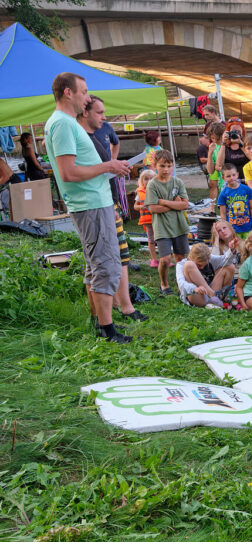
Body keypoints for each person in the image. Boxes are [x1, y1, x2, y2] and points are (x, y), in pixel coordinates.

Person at [45, 74, 130, 342]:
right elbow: (68, 172)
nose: (88, 97)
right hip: (90, 204)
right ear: (68, 93)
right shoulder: (62, 124)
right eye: (84, 91)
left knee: (96, 265)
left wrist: (109, 169)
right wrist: (108, 166)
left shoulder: (66, 123)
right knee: (106, 265)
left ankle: (100, 323)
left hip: (94, 201)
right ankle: (108, 330)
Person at [146, 149, 190, 296]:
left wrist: (164, 202)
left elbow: (184, 205)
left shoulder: (178, 182)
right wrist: (174, 204)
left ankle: (181, 284)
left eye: (169, 166)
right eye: (162, 166)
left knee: (180, 259)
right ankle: (164, 284)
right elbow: (152, 208)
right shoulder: (152, 185)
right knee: (165, 259)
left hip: (179, 225)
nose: (166, 169)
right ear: (155, 166)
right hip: (162, 227)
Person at [175, 242, 233, 308]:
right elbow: (181, 284)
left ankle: (219, 297)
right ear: (190, 257)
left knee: (230, 267)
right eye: (199, 265)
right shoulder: (181, 264)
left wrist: (231, 250)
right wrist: (194, 288)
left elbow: (225, 261)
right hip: (196, 295)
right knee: (189, 265)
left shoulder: (208, 257)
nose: (202, 267)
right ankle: (213, 296)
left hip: (212, 293)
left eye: (204, 265)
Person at [217, 164, 252, 240]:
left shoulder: (247, 189)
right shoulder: (223, 194)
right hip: (233, 229)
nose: (232, 178)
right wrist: (226, 229)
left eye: (233, 175)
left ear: (237, 175)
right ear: (223, 178)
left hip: (248, 227)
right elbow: (223, 214)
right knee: (237, 249)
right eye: (228, 176)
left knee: (250, 248)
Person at [134, 169, 159, 268]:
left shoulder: (158, 190)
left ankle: (165, 258)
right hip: (148, 221)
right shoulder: (139, 193)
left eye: (151, 179)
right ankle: (154, 259)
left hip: (158, 219)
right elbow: (135, 206)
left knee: (162, 239)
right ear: (141, 180)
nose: (148, 181)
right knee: (151, 240)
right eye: (146, 179)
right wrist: (141, 207)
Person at [206, 122, 227, 197]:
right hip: (223, 185)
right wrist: (210, 153)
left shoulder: (229, 145)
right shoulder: (214, 147)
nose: (215, 140)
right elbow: (210, 171)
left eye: (217, 138)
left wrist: (219, 167)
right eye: (212, 138)